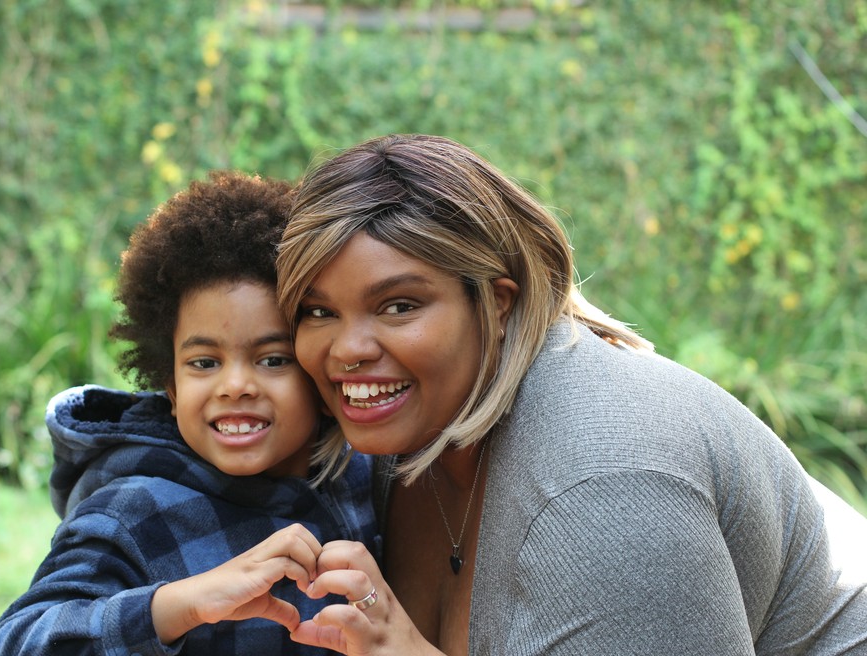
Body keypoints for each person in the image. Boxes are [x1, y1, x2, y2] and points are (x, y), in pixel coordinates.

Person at [273, 134, 867, 655]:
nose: (347, 349)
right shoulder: (408, 431)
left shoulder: (602, 488)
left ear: (497, 304)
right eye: (318, 311)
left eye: (399, 305)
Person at [0, 171, 379, 655]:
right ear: (171, 386)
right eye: (204, 363)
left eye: (273, 359)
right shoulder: (132, 511)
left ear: (319, 371)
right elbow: (13, 643)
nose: (234, 386)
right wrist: (183, 604)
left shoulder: (366, 476)